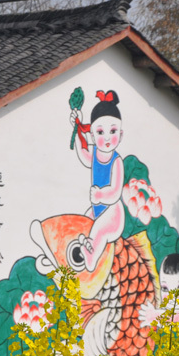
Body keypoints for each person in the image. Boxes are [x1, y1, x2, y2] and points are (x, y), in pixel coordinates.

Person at [70, 90, 125, 272]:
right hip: (97, 210)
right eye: (101, 132)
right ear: (92, 135)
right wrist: (77, 129)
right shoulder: (94, 154)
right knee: (83, 222)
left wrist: (101, 195)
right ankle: (80, 252)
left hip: (113, 214)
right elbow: (84, 153)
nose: (107, 137)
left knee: (99, 231)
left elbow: (116, 192)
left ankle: (91, 259)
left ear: (121, 134)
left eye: (113, 131)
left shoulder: (117, 161)